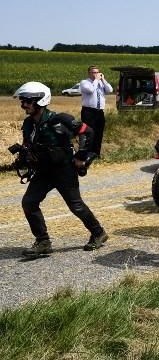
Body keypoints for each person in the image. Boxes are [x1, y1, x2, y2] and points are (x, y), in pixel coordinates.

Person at [13, 82, 108, 258]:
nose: (23, 105)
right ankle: (43, 241)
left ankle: (98, 233)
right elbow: (29, 143)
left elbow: (88, 132)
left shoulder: (59, 119)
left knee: (76, 206)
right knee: (29, 202)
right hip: (43, 171)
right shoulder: (28, 124)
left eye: (26, 101)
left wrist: (80, 157)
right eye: (22, 101)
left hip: (64, 170)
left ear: (40, 101)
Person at [79, 65, 112, 157]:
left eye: (97, 72)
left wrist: (103, 80)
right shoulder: (85, 82)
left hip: (99, 112)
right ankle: (87, 153)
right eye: (93, 72)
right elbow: (90, 90)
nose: (96, 74)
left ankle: (96, 154)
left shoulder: (100, 83)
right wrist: (96, 80)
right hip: (88, 112)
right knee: (89, 133)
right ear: (89, 73)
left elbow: (110, 90)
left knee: (99, 133)